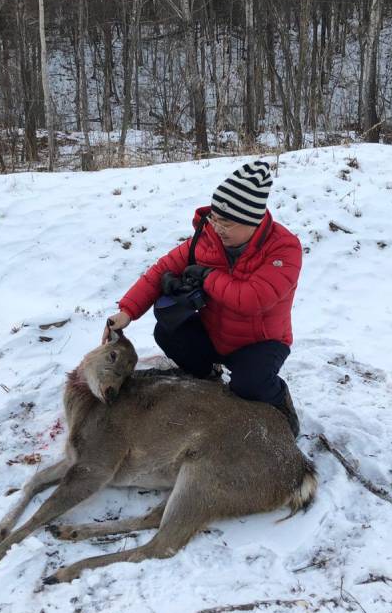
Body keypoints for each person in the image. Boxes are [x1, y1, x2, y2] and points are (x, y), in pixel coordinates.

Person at [102, 160, 303, 437]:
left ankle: (280, 400)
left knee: (249, 386)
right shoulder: (206, 238)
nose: (218, 228)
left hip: (261, 342)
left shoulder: (284, 248)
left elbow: (254, 299)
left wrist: (206, 277)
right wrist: (126, 311)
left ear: (253, 220)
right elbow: (160, 270)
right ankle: (208, 376)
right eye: (215, 218)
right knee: (167, 331)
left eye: (227, 222)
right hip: (215, 333)